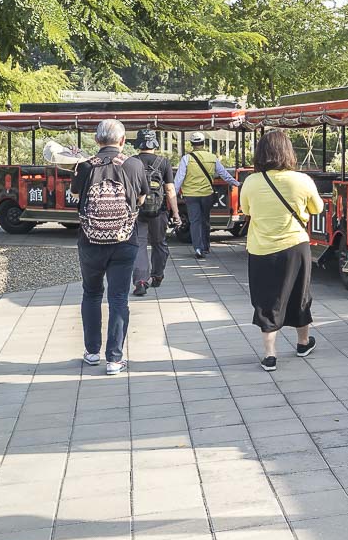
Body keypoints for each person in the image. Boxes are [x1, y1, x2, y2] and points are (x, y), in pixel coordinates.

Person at [240, 130, 323, 372]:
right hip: (295, 247)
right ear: (288, 151)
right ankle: (303, 342)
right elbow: (317, 208)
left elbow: (246, 209)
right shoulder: (302, 180)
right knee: (300, 294)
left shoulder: (251, 182)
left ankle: (269, 355)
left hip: (261, 248)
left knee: (266, 298)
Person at [72, 119, 146, 375]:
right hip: (124, 240)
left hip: (90, 241)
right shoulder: (134, 164)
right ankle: (114, 359)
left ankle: (92, 352)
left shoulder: (84, 167)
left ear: (96, 141)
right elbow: (141, 198)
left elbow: (76, 197)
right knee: (118, 297)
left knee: (91, 294)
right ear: (123, 141)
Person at [174, 131, 239, 259]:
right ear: (203, 143)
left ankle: (198, 248)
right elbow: (224, 174)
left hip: (191, 195)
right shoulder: (212, 157)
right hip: (207, 195)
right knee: (205, 220)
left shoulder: (186, 159)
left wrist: (173, 195)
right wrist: (237, 183)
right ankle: (206, 246)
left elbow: (179, 179)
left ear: (192, 144)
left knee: (195, 221)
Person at [131, 129, 180, 296]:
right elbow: (170, 189)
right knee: (159, 243)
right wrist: (176, 213)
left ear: (138, 143)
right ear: (155, 143)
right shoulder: (163, 162)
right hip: (159, 210)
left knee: (139, 244)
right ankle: (157, 275)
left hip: (137, 210)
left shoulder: (131, 162)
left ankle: (141, 281)